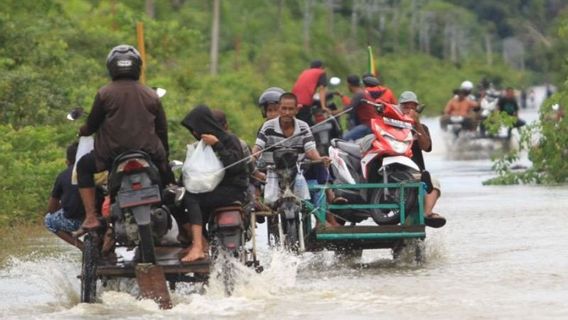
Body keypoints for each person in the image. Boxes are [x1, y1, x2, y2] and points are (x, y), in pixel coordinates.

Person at [76, 44, 174, 231]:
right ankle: (186, 231)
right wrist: (164, 158)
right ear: (137, 66)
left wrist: (82, 131)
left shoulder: (104, 93)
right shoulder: (151, 95)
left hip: (111, 155)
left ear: (111, 67)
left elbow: (92, 125)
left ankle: (91, 217)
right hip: (150, 153)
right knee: (170, 185)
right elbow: (162, 130)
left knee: (82, 167)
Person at [252, 92, 340, 226]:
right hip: (273, 170)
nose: (286, 112)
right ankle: (258, 201)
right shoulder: (268, 126)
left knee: (320, 162)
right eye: (284, 109)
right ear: (279, 108)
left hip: (297, 169)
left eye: (290, 109)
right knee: (251, 170)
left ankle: (326, 205)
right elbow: (258, 147)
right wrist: (253, 156)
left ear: (297, 110)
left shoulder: (304, 126)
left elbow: (310, 150)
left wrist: (320, 159)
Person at [177, 105, 249, 262]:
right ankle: (199, 240)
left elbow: (235, 166)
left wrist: (217, 145)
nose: (194, 133)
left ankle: (198, 247)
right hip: (211, 191)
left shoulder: (228, 139)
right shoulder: (201, 145)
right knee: (176, 201)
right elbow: (192, 172)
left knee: (192, 197)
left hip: (231, 190)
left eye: (195, 129)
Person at [398, 91, 446, 228]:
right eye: (406, 107)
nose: (409, 110)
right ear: (399, 108)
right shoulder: (392, 125)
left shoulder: (421, 128)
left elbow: (426, 147)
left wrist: (416, 124)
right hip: (395, 171)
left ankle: (427, 213)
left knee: (434, 183)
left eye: (412, 107)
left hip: (416, 172)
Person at [44, 142, 86, 249]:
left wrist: (65, 205)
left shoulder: (62, 176)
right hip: (99, 219)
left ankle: (81, 246)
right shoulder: (98, 171)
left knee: (49, 220)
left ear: (67, 161)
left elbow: (51, 209)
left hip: (75, 222)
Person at [341, 76, 381, 141]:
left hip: (367, 125)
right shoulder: (363, 92)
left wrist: (335, 112)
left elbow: (349, 109)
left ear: (349, 85)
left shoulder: (359, 94)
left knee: (344, 138)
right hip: (372, 123)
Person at [291, 60, 330, 125]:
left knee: (298, 124)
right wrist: (323, 106)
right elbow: (322, 89)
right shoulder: (321, 72)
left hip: (293, 101)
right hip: (304, 103)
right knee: (306, 126)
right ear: (321, 67)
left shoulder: (305, 72)